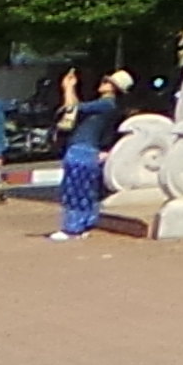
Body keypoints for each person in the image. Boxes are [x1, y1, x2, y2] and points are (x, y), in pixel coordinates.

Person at [50, 71, 129, 241]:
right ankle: (84, 224)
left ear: (114, 88)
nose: (103, 82)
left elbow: (72, 107)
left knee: (75, 188)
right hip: (88, 148)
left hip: (82, 147)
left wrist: (69, 88)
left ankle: (73, 227)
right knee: (86, 188)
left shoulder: (106, 104)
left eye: (107, 81)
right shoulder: (107, 105)